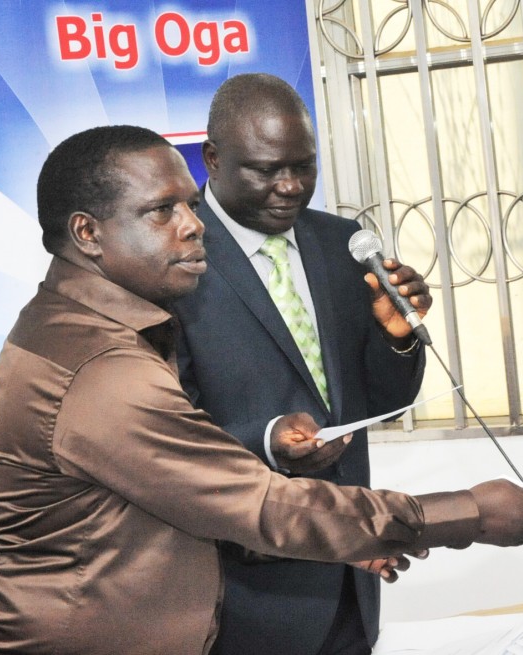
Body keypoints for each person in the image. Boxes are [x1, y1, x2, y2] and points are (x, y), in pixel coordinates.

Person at [0, 125, 523, 655]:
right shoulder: (101, 368)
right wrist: (472, 513)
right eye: (162, 210)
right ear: (87, 232)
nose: (194, 225)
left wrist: (342, 539)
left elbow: (171, 507)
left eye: (190, 205)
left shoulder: (74, 323)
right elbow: (260, 504)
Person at [167, 72, 433, 655]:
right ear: (212, 159)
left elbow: (384, 403)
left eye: (304, 166)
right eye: (266, 169)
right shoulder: (174, 259)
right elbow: (162, 433)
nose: (290, 187)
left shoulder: (344, 243)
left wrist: (398, 339)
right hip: (242, 588)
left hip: (352, 572)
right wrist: (265, 441)